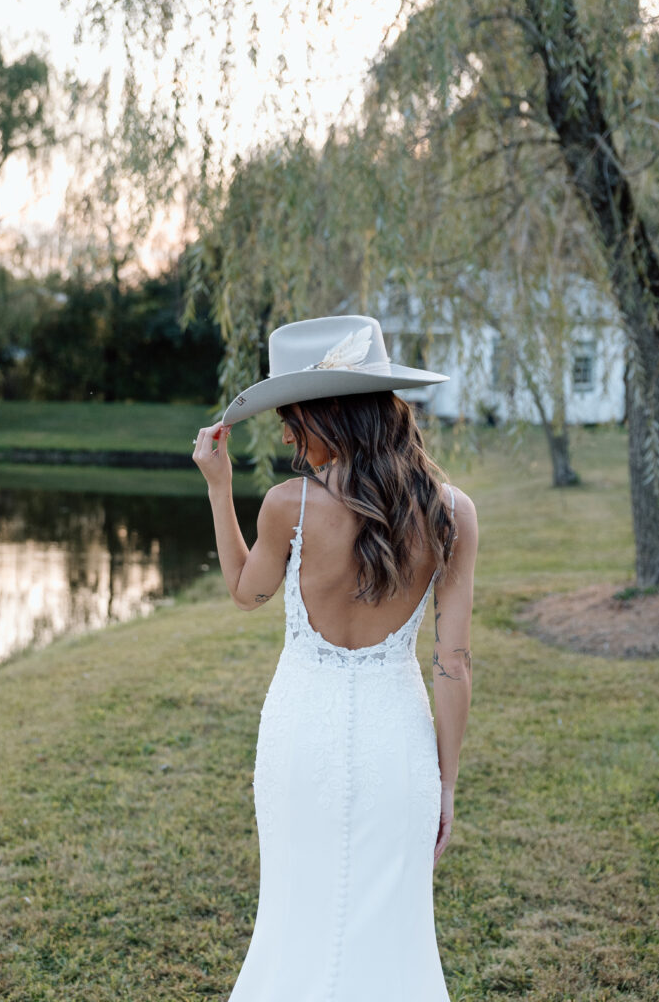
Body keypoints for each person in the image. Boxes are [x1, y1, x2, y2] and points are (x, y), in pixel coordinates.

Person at [192, 315, 477, 1002]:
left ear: (328, 413)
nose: (287, 434)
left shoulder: (286, 507)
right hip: (397, 746)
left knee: (296, 917)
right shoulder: (451, 512)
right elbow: (453, 663)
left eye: (292, 417)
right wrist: (444, 784)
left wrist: (217, 485)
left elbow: (243, 593)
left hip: (299, 737)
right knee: (391, 929)